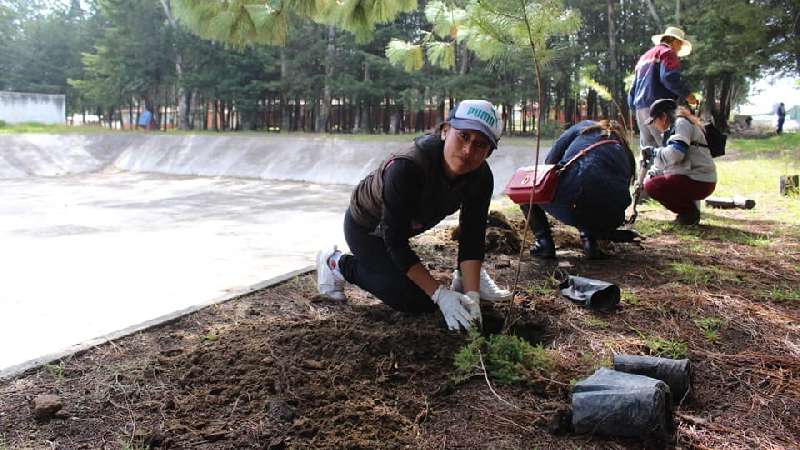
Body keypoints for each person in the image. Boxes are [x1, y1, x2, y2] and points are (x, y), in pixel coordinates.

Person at [315, 100, 512, 331]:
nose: (468, 150)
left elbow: (472, 235)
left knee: (439, 291)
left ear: (489, 151)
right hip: (366, 227)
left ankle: (462, 280)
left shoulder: (480, 177)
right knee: (414, 299)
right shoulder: (407, 167)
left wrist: (472, 296)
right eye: (463, 136)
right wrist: (440, 294)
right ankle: (337, 263)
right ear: (445, 131)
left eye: (480, 144)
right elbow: (395, 241)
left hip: (403, 229)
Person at [522, 120, 636, 260]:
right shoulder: (625, 150)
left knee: (524, 190)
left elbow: (550, 162)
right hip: (612, 218)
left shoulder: (585, 127)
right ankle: (590, 242)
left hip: (574, 203)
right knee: (593, 189)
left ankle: (544, 243)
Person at [642, 99, 717, 225]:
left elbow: (676, 154)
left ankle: (689, 213)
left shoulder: (681, 124)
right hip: (694, 177)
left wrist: (654, 152)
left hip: (699, 179)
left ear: (664, 116)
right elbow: (666, 161)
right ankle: (688, 212)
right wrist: (651, 173)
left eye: (654, 120)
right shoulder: (674, 128)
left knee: (652, 186)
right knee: (649, 182)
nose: (654, 125)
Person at [629, 26, 698, 148]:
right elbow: (668, 78)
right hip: (659, 108)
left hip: (640, 108)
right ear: (675, 42)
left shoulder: (644, 58)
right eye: (680, 46)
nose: (679, 50)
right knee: (667, 148)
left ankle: (646, 168)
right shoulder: (667, 53)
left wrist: (634, 108)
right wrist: (688, 95)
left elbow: (632, 90)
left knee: (648, 151)